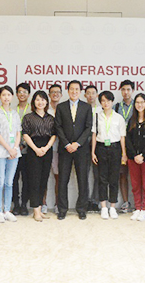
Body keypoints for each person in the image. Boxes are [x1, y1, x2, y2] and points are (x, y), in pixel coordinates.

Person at [55, 80, 93, 220]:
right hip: (65, 149)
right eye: (72, 89)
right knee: (62, 180)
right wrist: (66, 144)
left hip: (81, 149)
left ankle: (82, 209)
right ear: (68, 91)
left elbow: (88, 127)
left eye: (77, 89)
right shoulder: (61, 107)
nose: (74, 91)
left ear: (80, 91)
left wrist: (77, 143)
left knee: (82, 180)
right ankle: (62, 209)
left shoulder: (86, 107)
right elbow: (58, 127)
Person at [22, 90, 57, 222]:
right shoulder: (28, 117)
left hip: (47, 149)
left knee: (44, 179)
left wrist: (46, 148)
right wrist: (36, 149)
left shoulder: (51, 118)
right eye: (37, 99)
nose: (40, 102)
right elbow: (25, 134)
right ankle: (36, 210)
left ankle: (40, 209)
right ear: (33, 102)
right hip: (33, 149)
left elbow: (54, 135)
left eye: (42, 99)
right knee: (34, 180)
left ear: (46, 102)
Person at [92, 91, 127, 220]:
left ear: (112, 102)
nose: (106, 103)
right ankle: (103, 207)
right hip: (101, 148)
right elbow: (94, 135)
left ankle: (112, 207)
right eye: (103, 101)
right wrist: (93, 152)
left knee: (114, 178)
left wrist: (124, 153)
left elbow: (122, 137)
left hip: (115, 148)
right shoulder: (97, 117)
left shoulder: (119, 117)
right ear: (100, 103)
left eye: (108, 101)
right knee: (102, 179)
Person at [0, 86, 21, 223]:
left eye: (9, 95)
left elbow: (18, 133)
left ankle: (7, 210)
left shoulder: (15, 113)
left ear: (12, 97)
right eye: (3, 95)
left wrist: (14, 148)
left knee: (9, 182)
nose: (6, 97)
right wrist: (9, 149)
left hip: (14, 153)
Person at [125, 93, 145, 222]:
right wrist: (134, 155)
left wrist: (143, 155)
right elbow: (128, 139)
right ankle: (137, 208)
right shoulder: (131, 120)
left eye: (142, 102)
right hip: (133, 159)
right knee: (135, 185)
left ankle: (144, 209)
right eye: (137, 102)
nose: (140, 105)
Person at [115, 79, 135, 213]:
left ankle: (139, 203)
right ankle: (126, 201)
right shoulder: (116, 107)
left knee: (136, 174)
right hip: (120, 144)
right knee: (122, 174)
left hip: (134, 143)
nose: (126, 92)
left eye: (128, 89)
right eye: (123, 90)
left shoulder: (138, 104)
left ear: (132, 90)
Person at [12, 82, 31, 216]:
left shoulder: (32, 110)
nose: (22, 94)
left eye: (25, 92)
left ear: (28, 94)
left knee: (26, 178)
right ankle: (16, 204)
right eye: (20, 92)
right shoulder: (12, 111)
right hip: (13, 150)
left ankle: (24, 204)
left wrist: (24, 144)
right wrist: (16, 145)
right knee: (13, 179)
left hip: (28, 150)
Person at [44, 83, 63, 214]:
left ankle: (57, 204)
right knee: (43, 177)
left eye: (58, 92)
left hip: (60, 148)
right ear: (49, 95)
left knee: (58, 177)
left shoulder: (64, 109)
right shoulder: (44, 109)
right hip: (45, 148)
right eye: (53, 92)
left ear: (61, 95)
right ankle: (43, 203)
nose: (55, 94)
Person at [84, 84, 101, 212]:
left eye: (93, 93)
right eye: (88, 93)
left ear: (97, 95)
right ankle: (85, 200)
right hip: (84, 144)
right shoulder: (81, 108)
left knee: (98, 174)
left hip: (98, 144)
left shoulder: (101, 109)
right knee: (84, 174)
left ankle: (95, 201)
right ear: (85, 95)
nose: (90, 96)